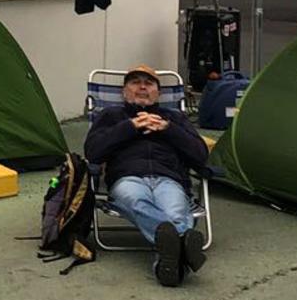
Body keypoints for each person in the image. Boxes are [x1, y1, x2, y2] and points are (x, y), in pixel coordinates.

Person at [82, 65, 210, 287]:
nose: (142, 86)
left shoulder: (174, 118)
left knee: (176, 211)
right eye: (135, 82)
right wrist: (129, 126)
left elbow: (200, 155)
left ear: (158, 93)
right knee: (137, 201)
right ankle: (182, 242)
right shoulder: (111, 116)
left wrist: (168, 129)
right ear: (124, 91)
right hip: (128, 177)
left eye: (149, 83)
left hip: (169, 178)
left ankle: (167, 263)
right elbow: (93, 152)